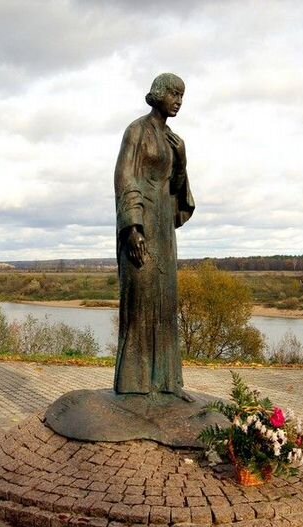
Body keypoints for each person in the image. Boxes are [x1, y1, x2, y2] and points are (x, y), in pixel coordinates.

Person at [113, 73, 194, 400]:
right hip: (142, 228)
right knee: (140, 300)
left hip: (163, 230)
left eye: (182, 95)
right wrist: (132, 227)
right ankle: (134, 385)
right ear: (158, 93)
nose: (178, 100)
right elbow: (124, 176)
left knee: (164, 303)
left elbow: (178, 193)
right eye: (173, 93)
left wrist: (182, 159)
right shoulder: (136, 131)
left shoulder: (174, 139)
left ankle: (167, 382)